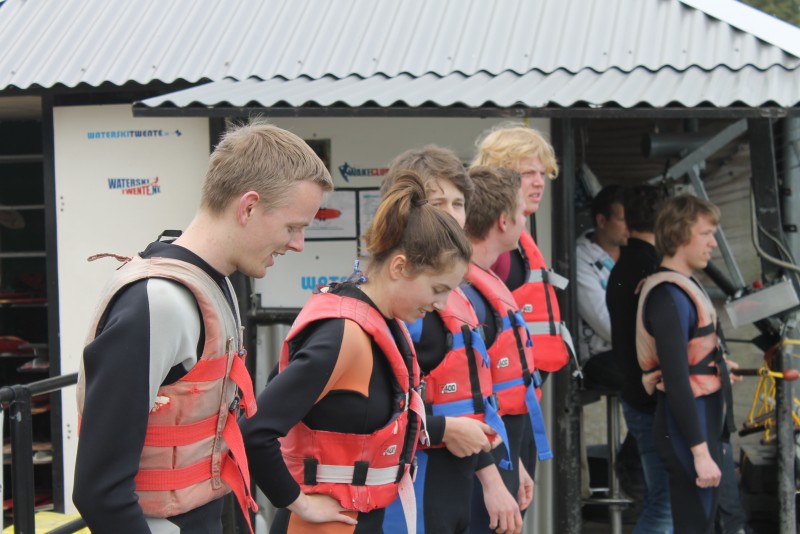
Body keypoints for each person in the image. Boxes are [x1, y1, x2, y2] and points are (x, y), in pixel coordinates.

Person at [73, 121, 333, 534]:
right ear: (248, 207)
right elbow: (99, 491)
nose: (298, 244)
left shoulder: (215, 285)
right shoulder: (157, 302)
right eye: (293, 227)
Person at [240, 172, 472, 533]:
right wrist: (295, 501)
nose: (441, 304)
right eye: (437, 289)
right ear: (400, 267)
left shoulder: (385, 326)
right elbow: (255, 430)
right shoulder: (343, 335)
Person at [379, 146, 522, 534]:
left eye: (458, 203)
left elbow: (474, 400)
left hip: (456, 477)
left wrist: (498, 472)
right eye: (437, 201)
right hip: (412, 485)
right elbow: (378, 411)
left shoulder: (456, 295)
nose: (452, 214)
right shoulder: (394, 298)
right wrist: (444, 431)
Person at [471, 125, 577, 515]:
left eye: (541, 173)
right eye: (524, 173)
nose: (538, 182)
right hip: (496, 419)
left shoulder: (518, 238)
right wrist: (507, 454)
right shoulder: (493, 251)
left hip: (518, 409)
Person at [636, 195, 739, 534]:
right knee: (695, 525)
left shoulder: (684, 288)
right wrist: (699, 451)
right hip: (687, 429)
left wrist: (718, 367)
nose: (713, 243)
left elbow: (692, 361)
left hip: (700, 422)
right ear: (680, 235)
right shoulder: (668, 295)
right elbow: (678, 379)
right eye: (706, 234)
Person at [461, 166, 550, 533]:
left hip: (503, 454)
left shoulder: (487, 283)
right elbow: (468, 401)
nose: (524, 224)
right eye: (522, 213)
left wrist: (515, 463)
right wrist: (492, 480)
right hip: (474, 471)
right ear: (503, 221)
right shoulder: (466, 296)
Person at [606, 184, 671, 534]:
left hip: (634, 392)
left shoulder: (624, 266)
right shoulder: (652, 270)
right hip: (650, 398)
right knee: (664, 502)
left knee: (661, 498)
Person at [576, 184, 628, 388]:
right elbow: (606, 324)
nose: (630, 226)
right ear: (601, 220)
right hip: (598, 357)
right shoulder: (581, 257)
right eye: (623, 219)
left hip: (634, 348)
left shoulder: (632, 252)